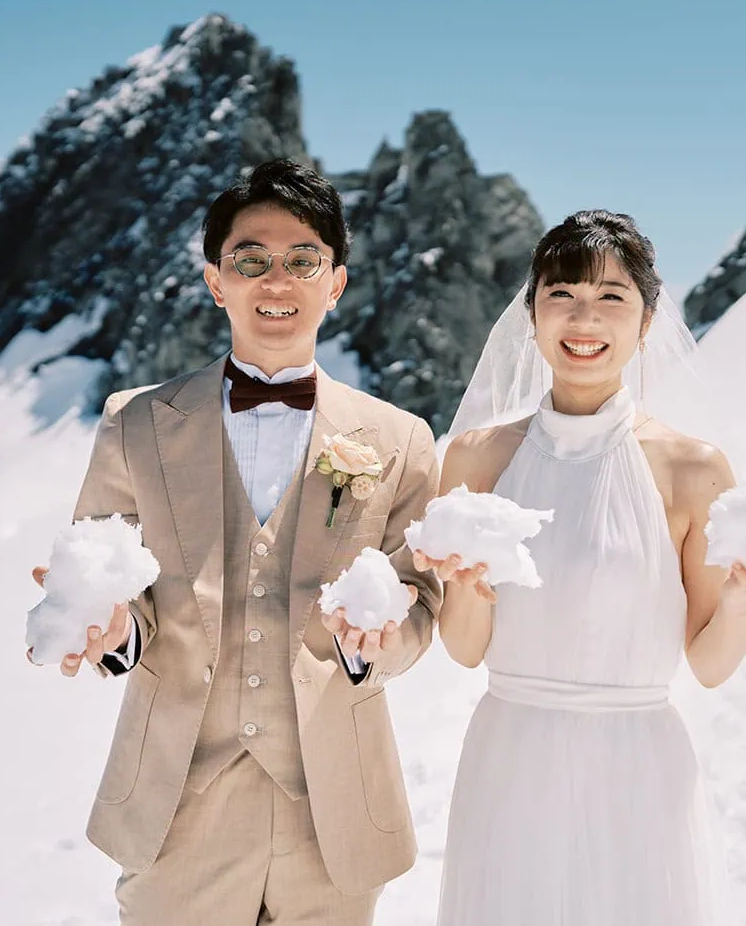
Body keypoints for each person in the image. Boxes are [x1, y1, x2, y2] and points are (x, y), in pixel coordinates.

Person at [29, 158, 443, 925]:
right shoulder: (136, 423)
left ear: (336, 282)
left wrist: (373, 639)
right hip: (175, 809)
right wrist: (115, 626)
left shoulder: (400, 438)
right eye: (250, 260)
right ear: (217, 281)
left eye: (302, 261)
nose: (276, 281)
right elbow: (115, 586)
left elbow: (421, 606)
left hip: (336, 817)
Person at [424, 209, 746, 924]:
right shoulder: (477, 455)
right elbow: (464, 645)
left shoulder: (693, 467)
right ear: (532, 313)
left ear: (646, 319)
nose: (584, 318)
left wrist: (741, 600)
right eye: (562, 294)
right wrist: (468, 588)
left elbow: (709, 663)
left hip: (636, 764)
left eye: (611, 298)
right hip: (509, 754)